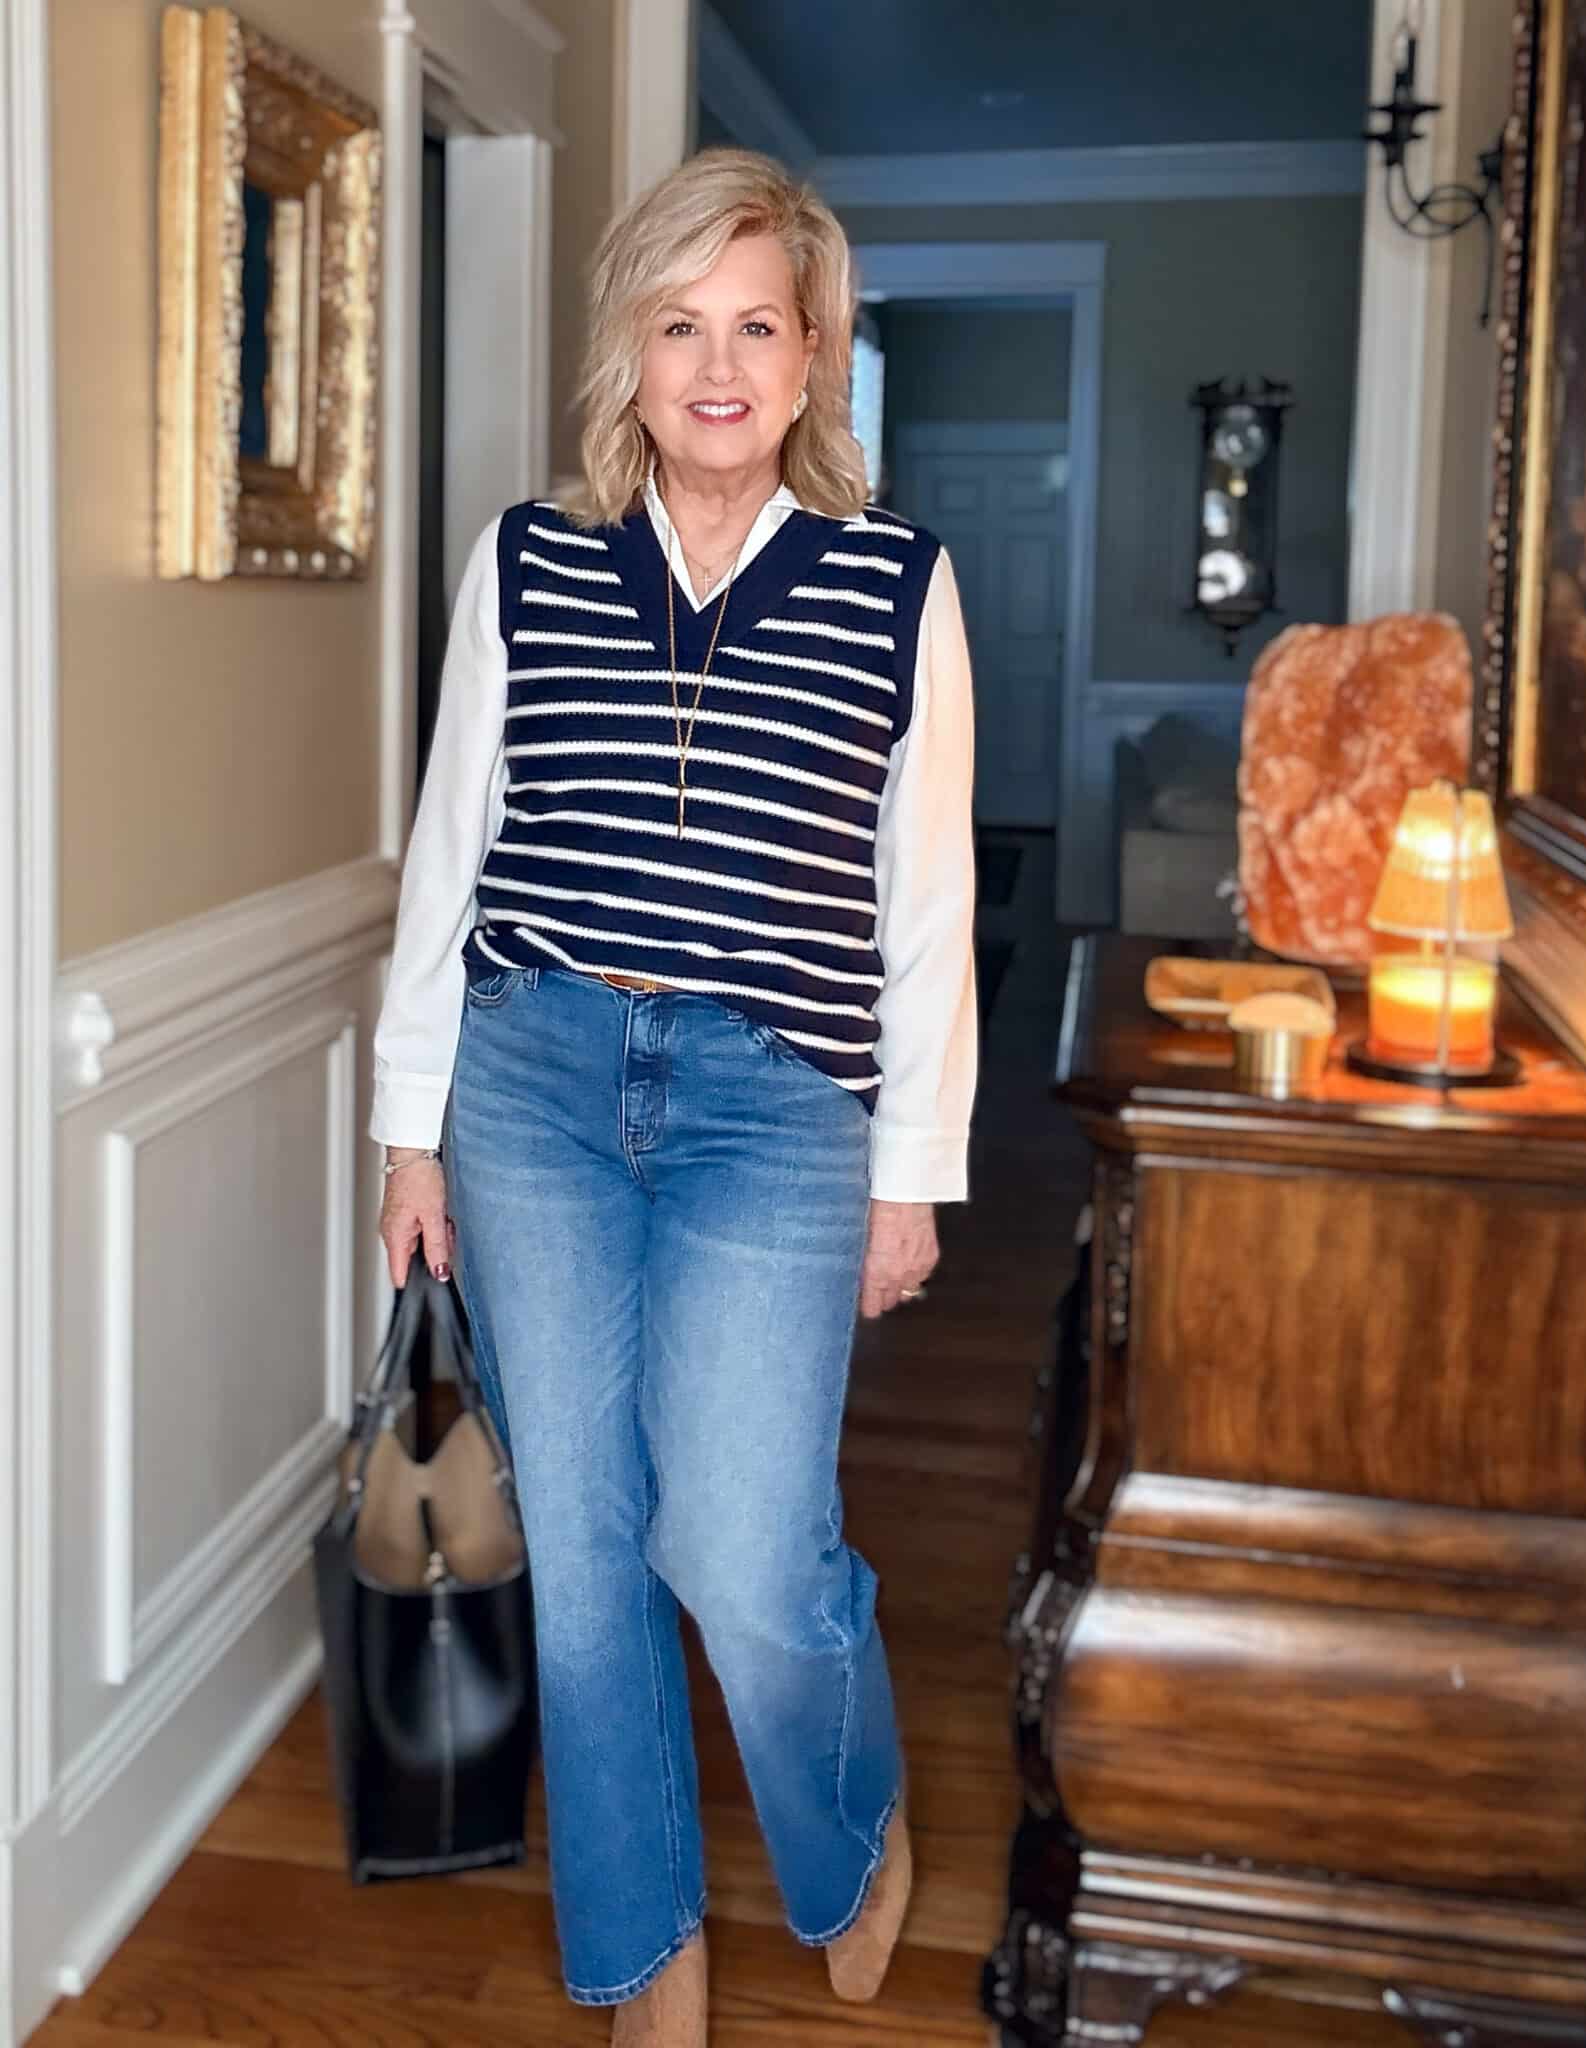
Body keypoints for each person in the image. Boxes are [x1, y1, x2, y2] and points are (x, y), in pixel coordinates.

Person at [370, 145, 978, 2047]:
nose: (720, 366)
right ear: (630, 355)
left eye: (759, 327)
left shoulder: (898, 583)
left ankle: (852, 1817)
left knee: (731, 1539)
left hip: (776, 1101)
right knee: (585, 1542)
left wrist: (914, 1175)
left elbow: (931, 900)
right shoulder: (528, 561)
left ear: (814, 363)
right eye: (680, 324)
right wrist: (410, 1125)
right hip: (534, 1079)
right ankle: (643, 1951)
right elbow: (450, 848)